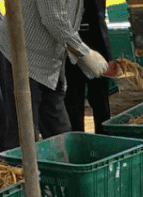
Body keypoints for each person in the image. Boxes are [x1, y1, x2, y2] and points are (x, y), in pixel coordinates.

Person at [0, 0, 109, 152]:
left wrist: (82, 57)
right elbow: (53, 18)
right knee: (23, 133)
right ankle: (18, 165)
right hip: (21, 55)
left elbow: (68, 18)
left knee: (59, 131)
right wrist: (84, 52)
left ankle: (61, 166)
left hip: (50, 64)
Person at [64, 0, 112, 134]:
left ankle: (103, 139)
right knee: (73, 100)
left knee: (101, 100)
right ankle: (76, 140)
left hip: (97, 41)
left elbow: (99, 15)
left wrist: (107, 53)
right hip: (70, 43)